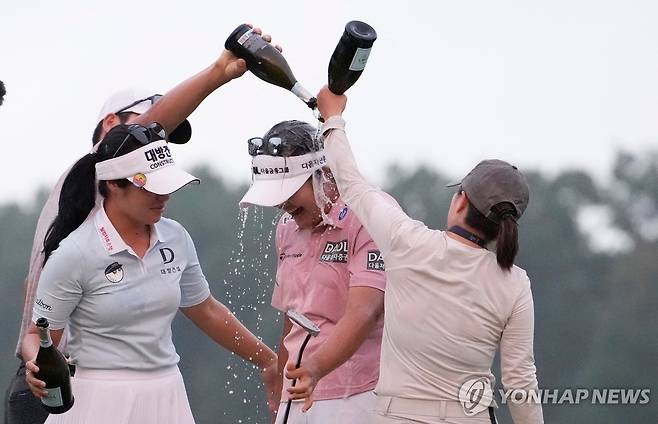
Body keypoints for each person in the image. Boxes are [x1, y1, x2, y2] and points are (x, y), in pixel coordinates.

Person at [6, 26, 280, 423]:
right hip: (62, 386)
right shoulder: (85, 181)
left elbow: (204, 309)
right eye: (145, 127)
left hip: (162, 393)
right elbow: (38, 333)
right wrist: (219, 70)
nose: (163, 194)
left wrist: (266, 358)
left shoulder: (173, 235)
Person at [314, 86, 544, 424]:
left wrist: (333, 119)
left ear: (461, 201)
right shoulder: (515, 284)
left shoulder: (407, 242)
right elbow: (520, 382)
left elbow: (353, 185)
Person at [239, 120, 389, 423]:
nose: (282, 203)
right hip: (299, 392)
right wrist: (282, 388)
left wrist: (316, 368)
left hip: (360, 392)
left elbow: (366, 311)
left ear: (324, 173)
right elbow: (292, 320)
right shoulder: (286, 229)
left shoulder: (369, 213)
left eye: (290, 190)